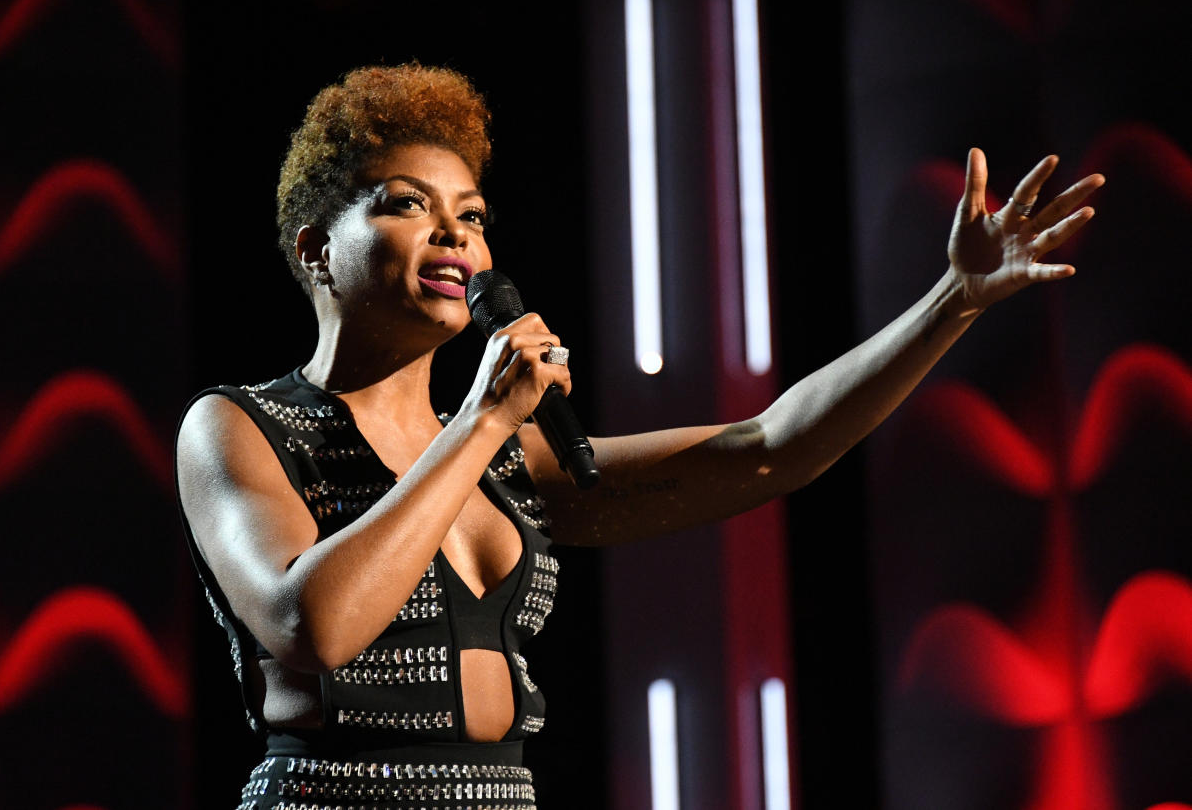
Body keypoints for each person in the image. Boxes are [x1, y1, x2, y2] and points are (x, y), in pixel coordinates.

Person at [174, 63, 1103, 810]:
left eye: (472, 215)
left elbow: (769, 447)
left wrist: (950, 304)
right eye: (407, 204)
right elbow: (312, 625)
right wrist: (484, 419)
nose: (454, 235)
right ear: (313, 250)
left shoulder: (506, 463)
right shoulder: (241, 428)